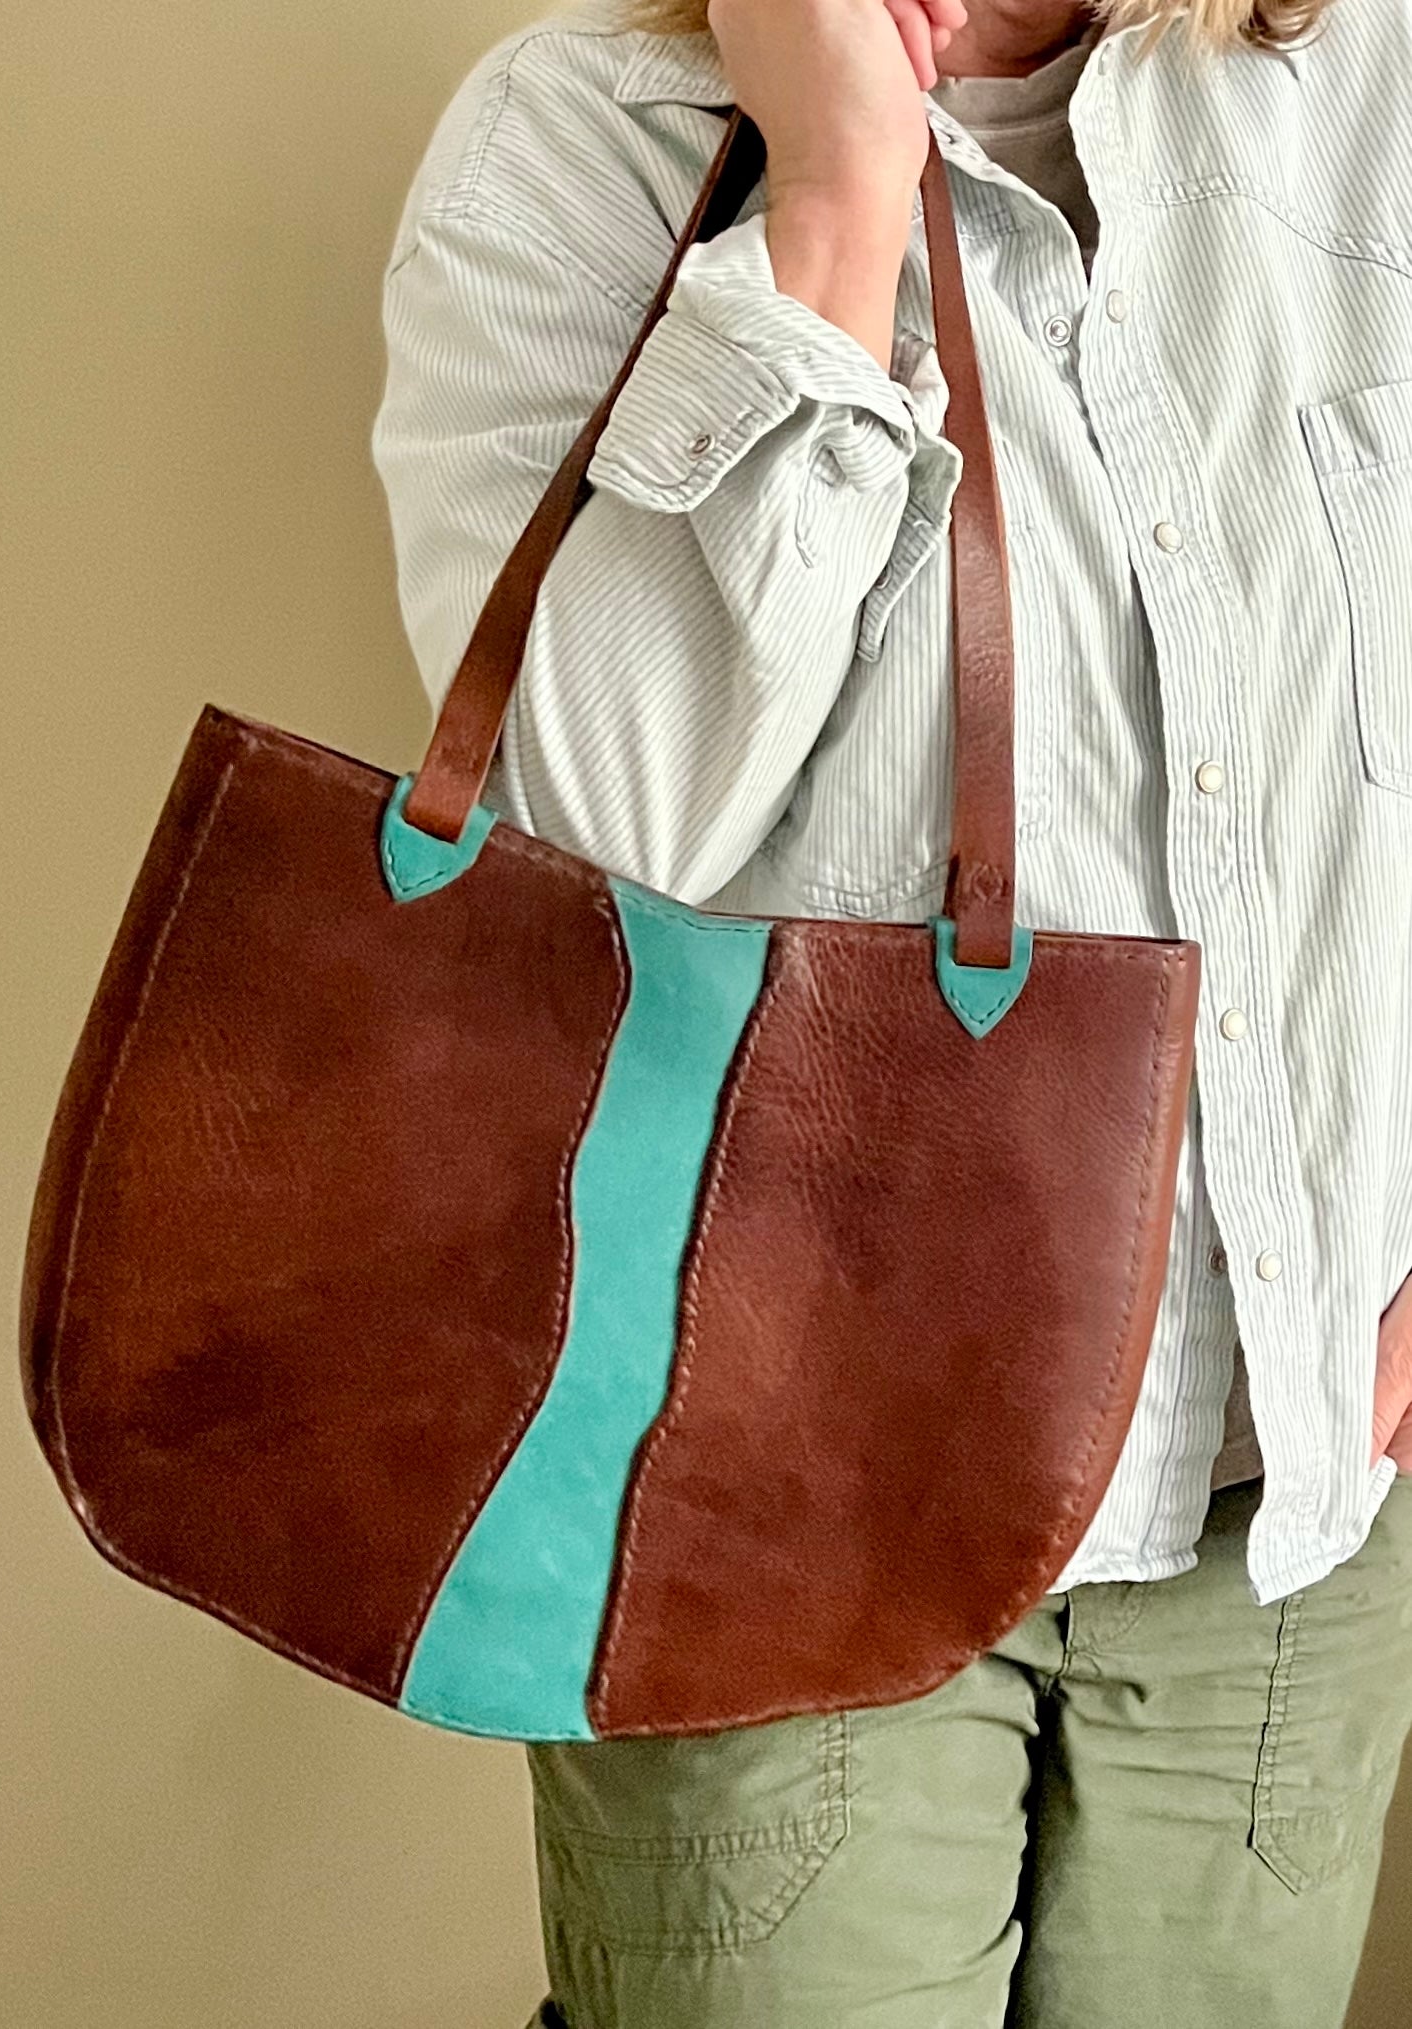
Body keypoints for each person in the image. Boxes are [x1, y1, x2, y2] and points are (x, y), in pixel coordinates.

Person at [370, 0, 1412, 2019]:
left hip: (1283, 1520)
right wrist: (837, 202)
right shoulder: (582, 142)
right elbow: (594, 834)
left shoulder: (1368, 89)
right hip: (763, 1516)